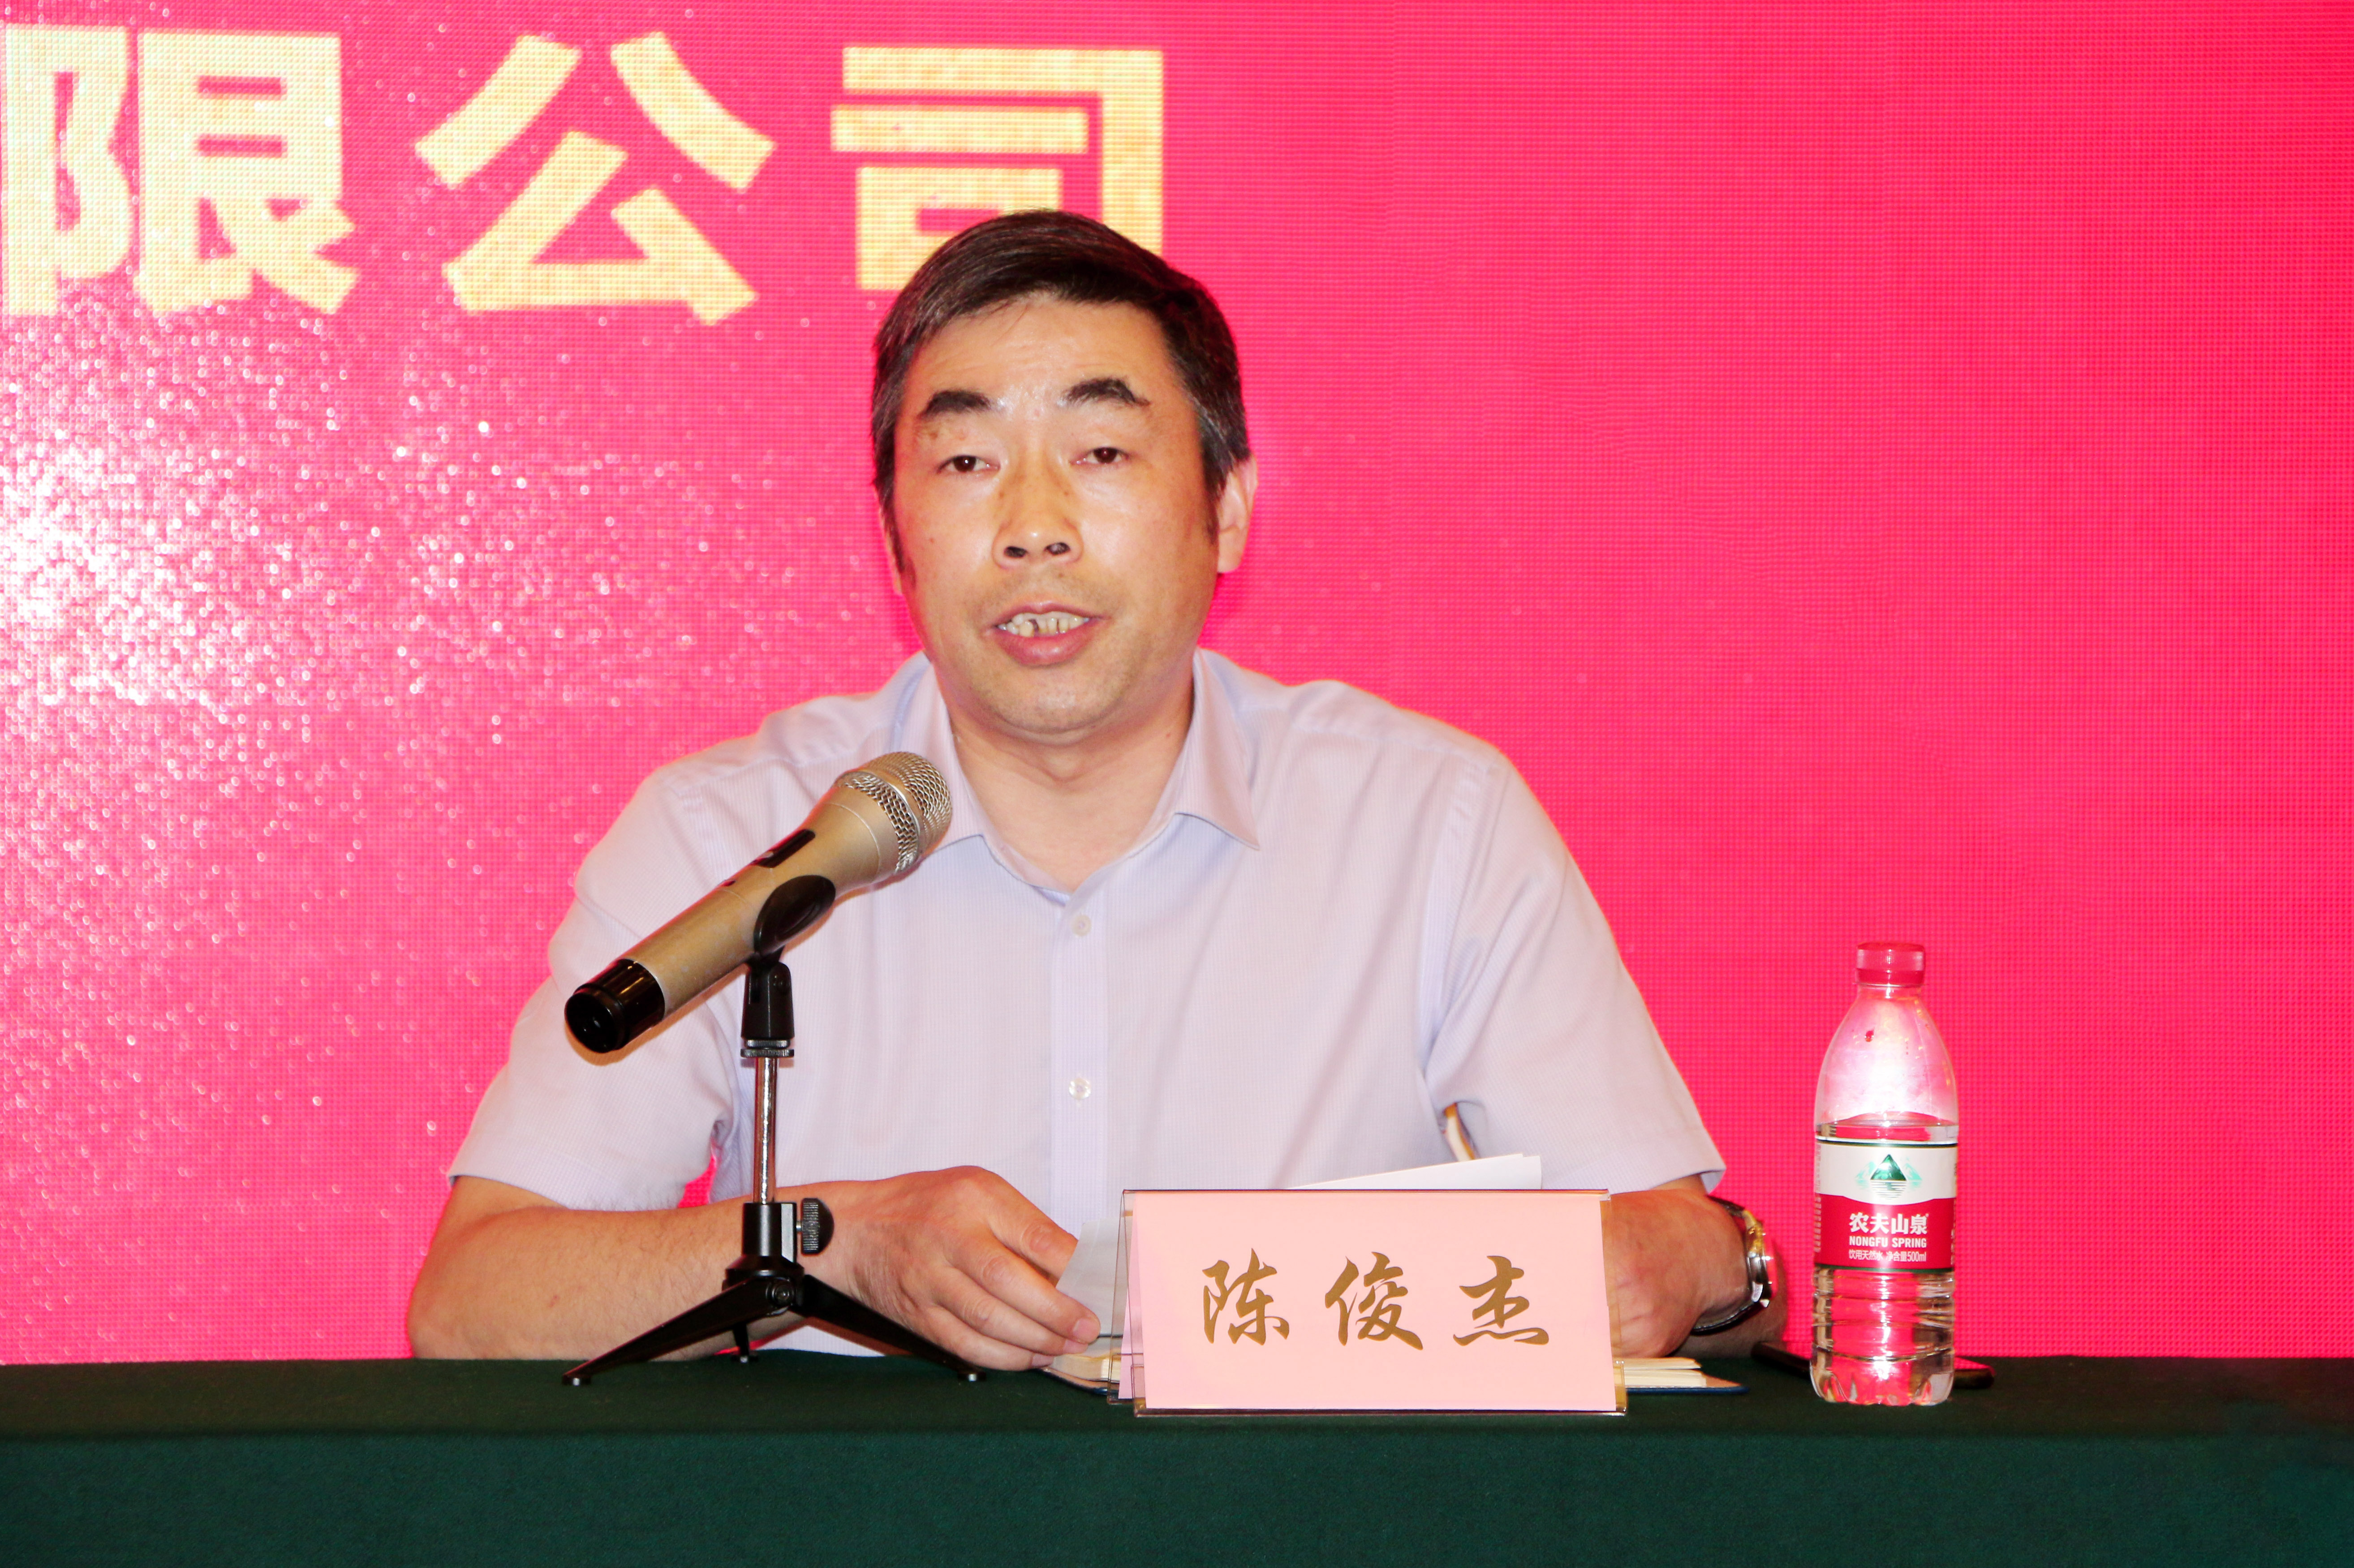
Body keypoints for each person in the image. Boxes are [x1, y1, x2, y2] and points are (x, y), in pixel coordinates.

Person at [409, 211, 1782, 1369]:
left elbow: (1668, 1255)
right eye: (965, 463)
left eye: (1104, 453)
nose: (1034, 525)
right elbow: (472, 1301)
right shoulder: (737, 838)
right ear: (894, 538)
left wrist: (1705, 1258)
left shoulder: (1431, 825)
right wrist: (828, 1243)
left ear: (1226, 508)